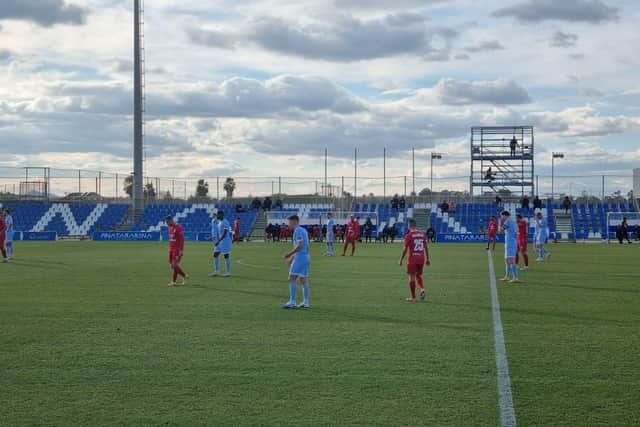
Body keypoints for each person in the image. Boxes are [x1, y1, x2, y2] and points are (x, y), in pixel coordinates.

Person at [282, 214, 311, 309]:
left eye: (289, 222)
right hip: (306, 257)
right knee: (303, 280)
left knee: (291, 278)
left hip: (300, 257)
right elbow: (304, 246)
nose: (288, 225)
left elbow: (300, 246)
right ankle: (306, 302)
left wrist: (289, 254)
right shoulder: (303, 230)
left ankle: (292, 302)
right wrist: (292, 257)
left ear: (294, 222)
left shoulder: (297, 231)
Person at [399, 219, 431, 302]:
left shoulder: (409, 235)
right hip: (421, 258)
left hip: (413, 259)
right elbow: (426, 247)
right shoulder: (422, 234)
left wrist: (401, 259)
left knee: (411, 277)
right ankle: (422, 289)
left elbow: (405, 249)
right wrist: (427, 259)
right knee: (418, 275)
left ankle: (413, 297)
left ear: (409, 225)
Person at [165, 216, 188, 286]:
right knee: (172, 265)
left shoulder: (178, 227)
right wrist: (169, 248)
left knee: (174, 264)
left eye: (167, 222)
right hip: (171, 249)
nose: (167, 224)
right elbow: (171, 239)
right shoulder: (169, 228)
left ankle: (175, 280)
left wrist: (181, 250)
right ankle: (182, 276)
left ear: (171, 220)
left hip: (177, 249)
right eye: (166, 222)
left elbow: (182, 240)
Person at [499, 211, 520, 283]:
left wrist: (499, 224)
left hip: (510, 242)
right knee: (507, 260)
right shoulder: (513, 221)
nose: (501, 217)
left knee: (511, 260)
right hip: (511, 242)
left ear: (505, 215)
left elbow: (501, 230)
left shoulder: (508, 221)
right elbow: (517, 232)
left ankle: (515, 277)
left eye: (502, 216)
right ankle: (507, 276)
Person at [211, 210, 232, 276]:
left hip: (225, 241)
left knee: (226, 256)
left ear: (221, 215)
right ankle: (216, 271)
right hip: (220, 241)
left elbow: (225, 233)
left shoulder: (225, 222)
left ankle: (228, 272)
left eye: (218, 215)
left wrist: (218, 241)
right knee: (215, 255)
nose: (217, 216)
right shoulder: (219, 222)